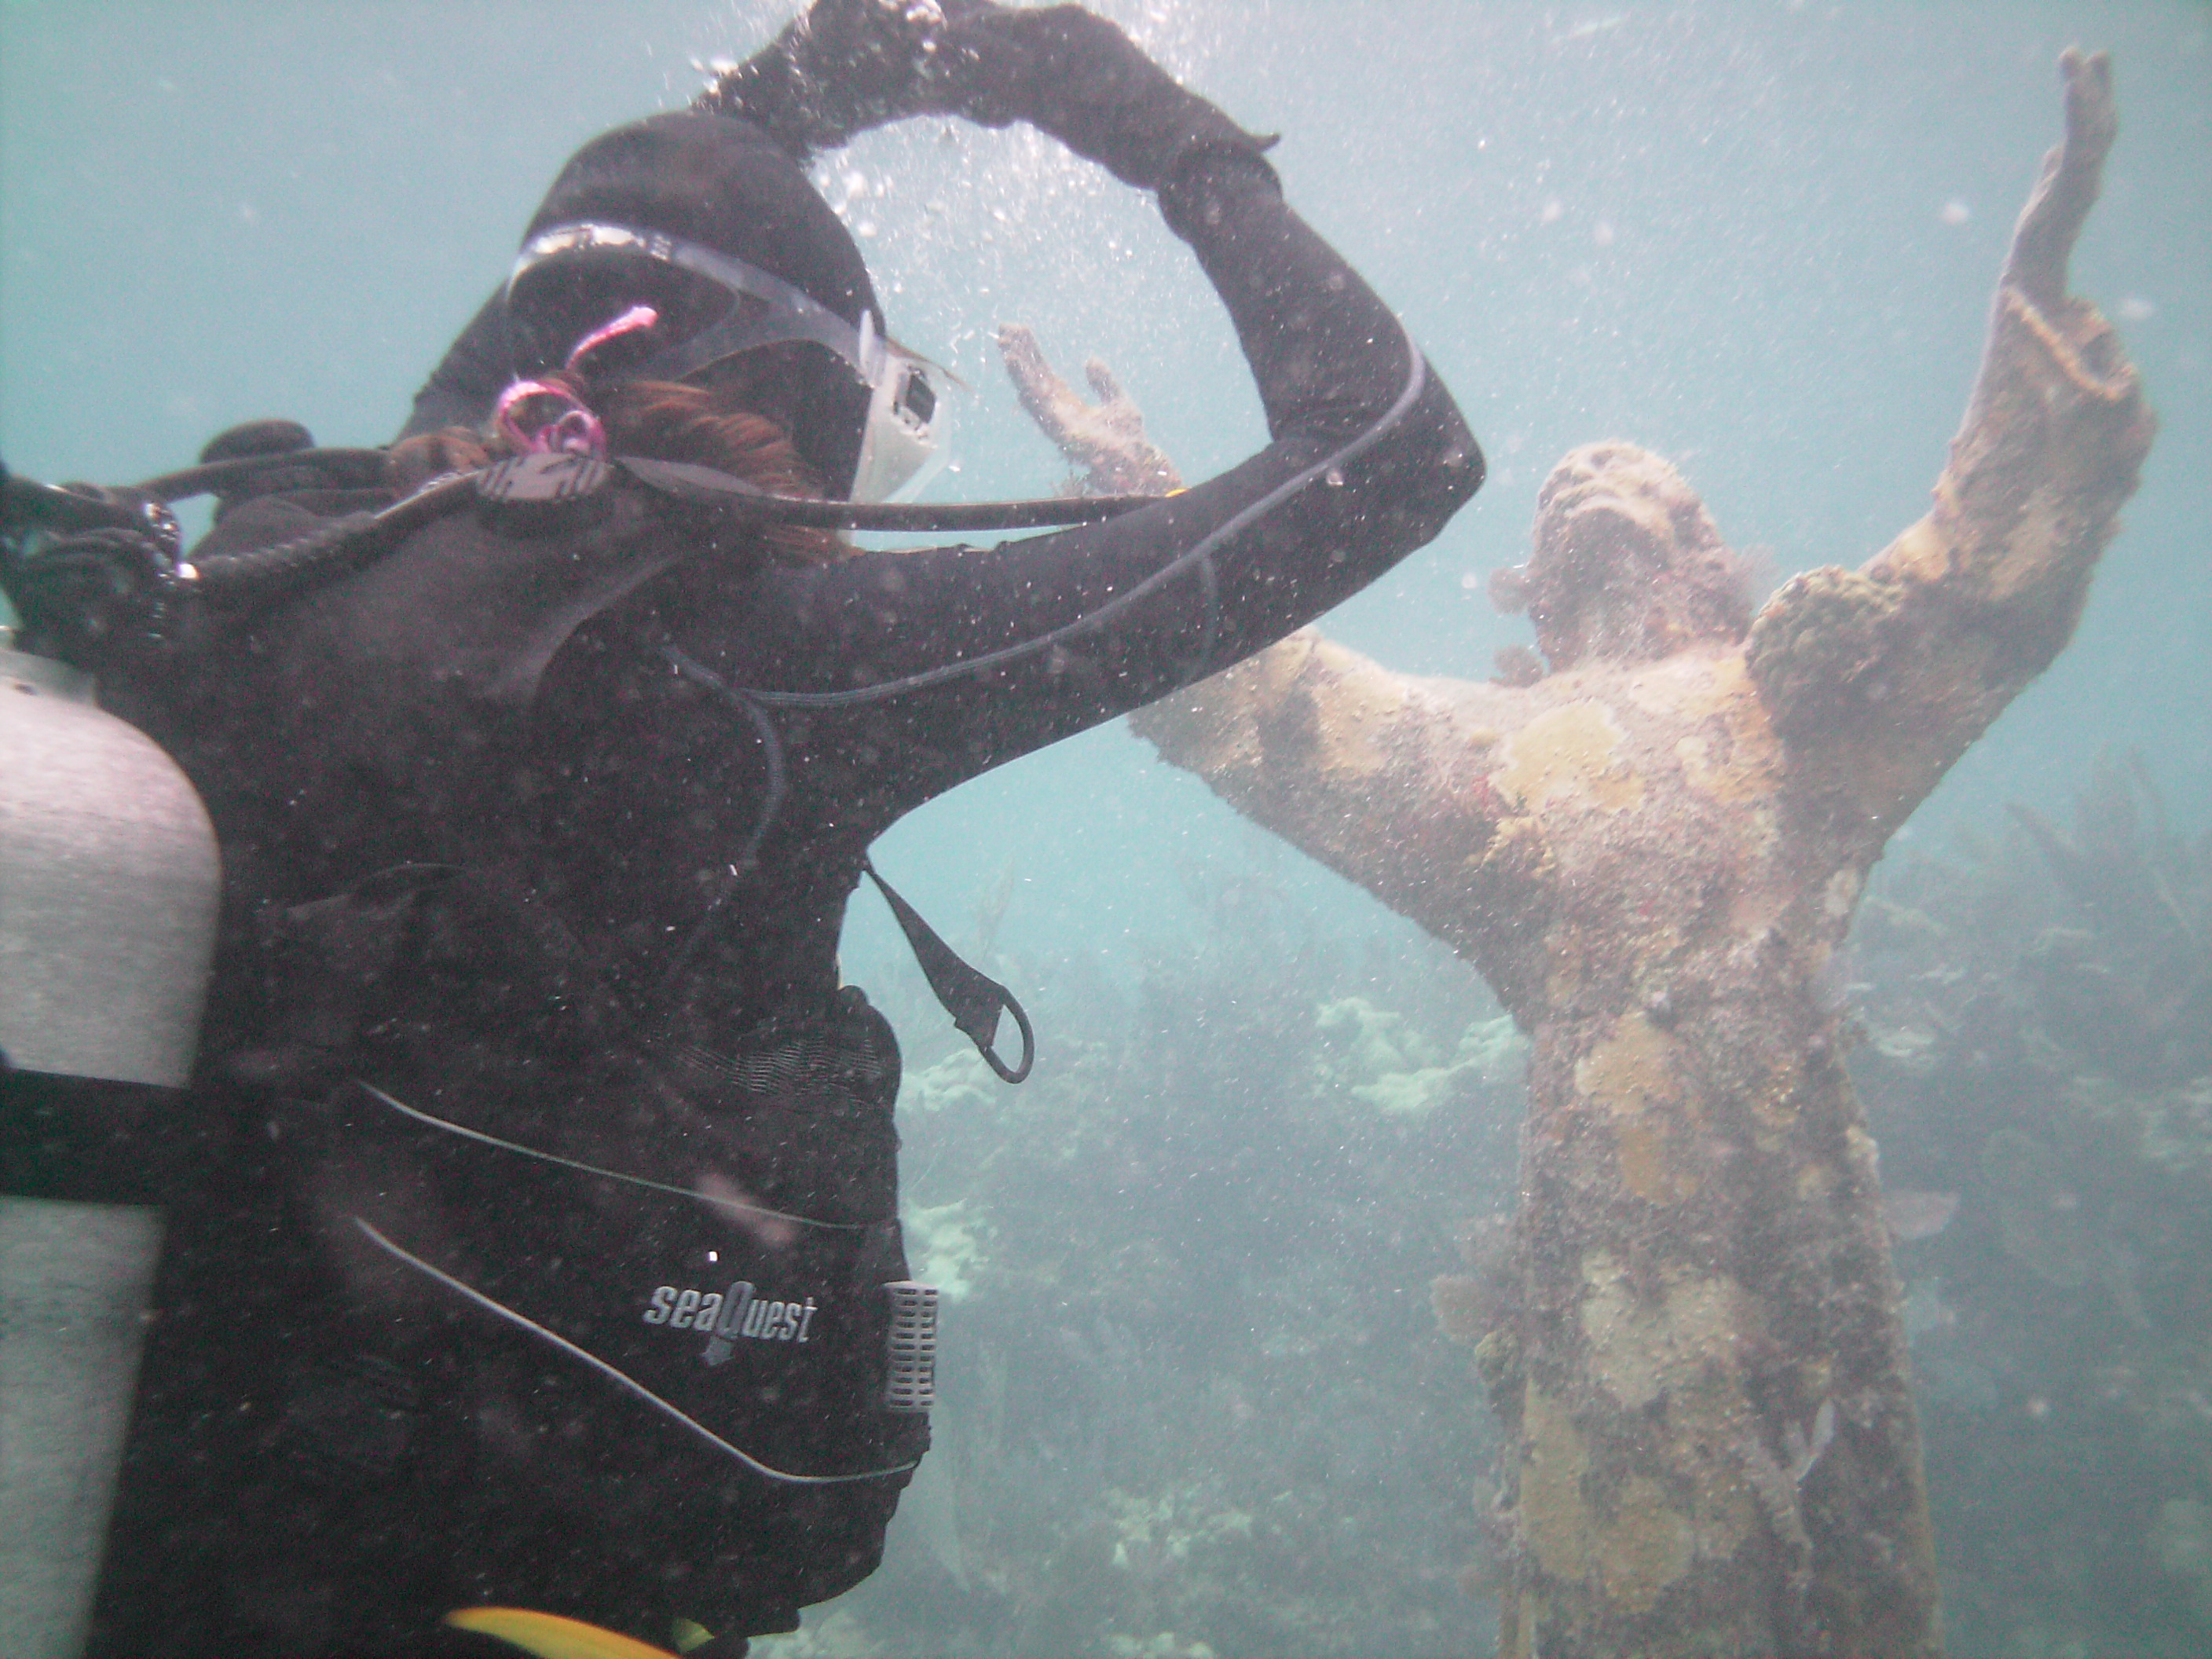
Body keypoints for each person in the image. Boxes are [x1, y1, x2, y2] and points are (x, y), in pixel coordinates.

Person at [18, 2, 1478, 1655]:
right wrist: (1151, 128)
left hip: (149, 1569)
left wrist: (775, 111)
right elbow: (1391, 443)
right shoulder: (783, 668)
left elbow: (569, 299)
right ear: (811, 393)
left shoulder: (255, 584)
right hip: (537, 1604)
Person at [1016, 49, 2151, 1658]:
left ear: (1701, 552)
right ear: (1534, 589)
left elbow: (1974, 584)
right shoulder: (1492, 765)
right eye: (1565, 482)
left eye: (1640, 479)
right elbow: (1275, 708)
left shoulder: (1793, 711)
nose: (1593, 482)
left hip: (1792, 1208)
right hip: (1611, 1246)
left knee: (1831, 1562)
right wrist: (1137, 491)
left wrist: (2024, 298)